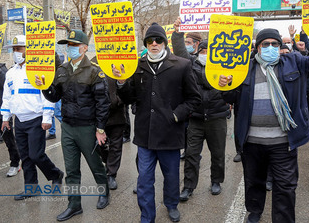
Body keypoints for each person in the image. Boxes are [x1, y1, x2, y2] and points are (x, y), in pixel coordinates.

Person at [219, 17, 309, 223]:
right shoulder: (243, 68)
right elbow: (230, 98)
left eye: (274, 44)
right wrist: (223, 85)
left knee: (285, 187)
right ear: (257, 48)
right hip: (251, 141)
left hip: (283, 142)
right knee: (254, 182)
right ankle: (254, 211)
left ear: (280, 47)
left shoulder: (295, 62)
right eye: (265, 44)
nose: (270, 47)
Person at [112, 22, 201, 223]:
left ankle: (171, 204)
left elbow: (194, 99)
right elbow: (129, 98)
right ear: (145, 43)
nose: (154, 44)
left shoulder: (181, 65)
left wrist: (176, 115)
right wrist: (121, 82)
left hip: (170, 133)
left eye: (158, 40)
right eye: (150, 40)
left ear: (164, 42)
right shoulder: (137, 65)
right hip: (145, 136)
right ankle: (147, 216)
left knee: (170, 177)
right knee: (144, 180)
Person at [38, 30, 111, 221]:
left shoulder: (94, 71)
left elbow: (103, 103)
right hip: (68, 127)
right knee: (71, 169)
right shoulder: (61, 70)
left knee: (95, 164)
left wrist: (100, 129)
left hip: (87, 127)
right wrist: (45, 86)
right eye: (68, 45)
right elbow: (54, 96)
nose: (69, 48)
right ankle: (74, 205)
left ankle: (104, 192)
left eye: (73, 45)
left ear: (84, 47)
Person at [1, 35, 64, 200]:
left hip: (36, 119)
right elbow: (7, 97)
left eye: (19, 49)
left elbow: (46, 96)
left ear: (27, 50)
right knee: (26, 157)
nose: (16, 52)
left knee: (36, 155)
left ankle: (55, 174)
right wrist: (5, 118)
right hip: (19, 120)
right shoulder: (10, 73)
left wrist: (47, 118)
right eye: (14, 49)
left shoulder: (37, 70)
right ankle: (31, 188)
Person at [179, 39, 230, 201]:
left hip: (217, 117)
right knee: (192, 154)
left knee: (218, 153)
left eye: (209, 52)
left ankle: (216, 181)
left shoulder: (224, 67)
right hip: (196, 118)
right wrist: (178, 34)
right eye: (203, 51)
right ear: (198, 52)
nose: (205, 55)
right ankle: (188, 186)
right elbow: (180, 52)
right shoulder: (191, 66)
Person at [91, 56, 126, 190]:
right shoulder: (94, 61)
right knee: (101, 145)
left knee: (116, 146)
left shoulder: (120, 60)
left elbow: (127, 84)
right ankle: (107, 162)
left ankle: (111, 173)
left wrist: (117, 100)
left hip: (117, 113)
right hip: (99, 114)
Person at [172, 17, 203, 159]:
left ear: (197, 44)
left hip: (212, 112)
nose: (186, 45)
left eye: (188, 43)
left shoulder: (213, 60)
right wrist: (178, 34)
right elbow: (180, 51)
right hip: (191, 109)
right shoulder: (188, 60)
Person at [0, 60, 21, 177]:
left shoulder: (2, 69)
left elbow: (7, 85)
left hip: (2, 115)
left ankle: (15, 164)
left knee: (10, 142)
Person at [46, 53, 65, 140]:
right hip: (47, 90)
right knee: (49, 113)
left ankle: (66, 128)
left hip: (54, 90)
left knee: (57, 112)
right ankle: (52, 132)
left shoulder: (54, 56)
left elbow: (58, 65)